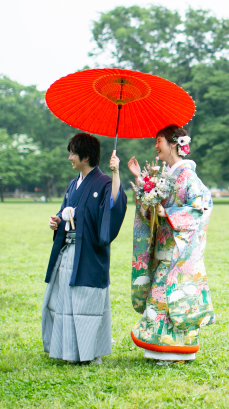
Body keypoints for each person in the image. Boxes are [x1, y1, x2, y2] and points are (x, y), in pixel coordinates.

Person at [127, 124, 215, 364]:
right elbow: (153, 207)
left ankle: (176, 350)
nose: (155, 145)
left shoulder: (188, 175)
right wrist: (140, 181)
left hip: (179, 250)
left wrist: (169, 215)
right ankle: (159, 349)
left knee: (174, 297)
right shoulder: (166, 175)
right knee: (161, 297)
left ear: (174, 143)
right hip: (165, 247)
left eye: (159, 141)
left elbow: (201, 207)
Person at [41, 133, 127, 365]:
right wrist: (57, 220)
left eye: (72, 153)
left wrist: (116, 173)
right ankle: (67, 350)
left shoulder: (105, 183)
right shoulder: (73, 184)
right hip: (68, 252)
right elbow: (64, 211)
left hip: (88, 254)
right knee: (65, 302)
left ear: (85, 156)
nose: (69, 157)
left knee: (86, 304)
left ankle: (90, 353)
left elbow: (114, 206)